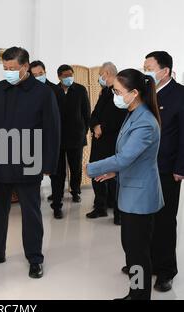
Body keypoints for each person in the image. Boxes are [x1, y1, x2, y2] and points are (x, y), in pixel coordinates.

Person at [0, 47, 60, 279]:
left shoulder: (43, 93)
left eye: (12, 69)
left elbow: (52, 130)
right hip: (0, 159)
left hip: (29, 161)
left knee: (31, 213)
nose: (8, 73)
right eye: (5, 68)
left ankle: (35, 258)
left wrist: (48, 164)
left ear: (25, 67)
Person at [87, 69, 164, 300]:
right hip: (131, 192)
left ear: (134, 93)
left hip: (140, 198)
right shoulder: (133, 113)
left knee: (138, 253)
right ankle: (135, 292)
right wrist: (113, 172)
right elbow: (131, 157)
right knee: (131, 250)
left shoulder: (145, 122)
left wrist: (92, 167)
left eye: (119, 92)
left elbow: (125, 157)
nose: (115, 96)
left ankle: (139, 296)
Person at [142, 51, 184, 292]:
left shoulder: (182, 95)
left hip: (166, 169)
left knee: (164, 221)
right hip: (143, 169)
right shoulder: (144, 94)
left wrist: (182, 168)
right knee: (145, 220)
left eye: (149, 68)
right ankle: (148, 262)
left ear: (164, 71)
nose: (145, 71)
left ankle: (165, 271)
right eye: (143, 67)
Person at [86, 62, 127, 225]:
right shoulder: (105, 92)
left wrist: (103, 127)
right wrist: (95, 125)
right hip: (99, 142)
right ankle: (100, 207)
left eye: (101, 74)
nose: (99, 78)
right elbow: (95, 113)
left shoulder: (121, 92)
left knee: (114, 178)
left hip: (113, 141)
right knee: (97, 173)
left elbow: (121, 117)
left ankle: (118, 212)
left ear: (108, 73)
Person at [50, 65, 90, 217]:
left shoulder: (80, 90)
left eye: (70, 74)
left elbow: (86, 113)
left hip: (76, 138)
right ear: (59, 77)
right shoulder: (53, 91)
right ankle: (57, 204)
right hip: (58, 139)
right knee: (57, 172)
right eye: (65, 75)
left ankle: (75, 191)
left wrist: (83, 131)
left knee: (76, 168)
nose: (69, 77)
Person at [29, 60, 66, 219]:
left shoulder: (56, 90)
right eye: (35, 75)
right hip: (34, 140)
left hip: (54, 139)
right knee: (33, 175)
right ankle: (33, 206)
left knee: (57, 174)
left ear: (45, 72)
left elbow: (62, 116)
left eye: (41, 74)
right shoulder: (27, 91)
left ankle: (57, 205)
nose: (38, 77)